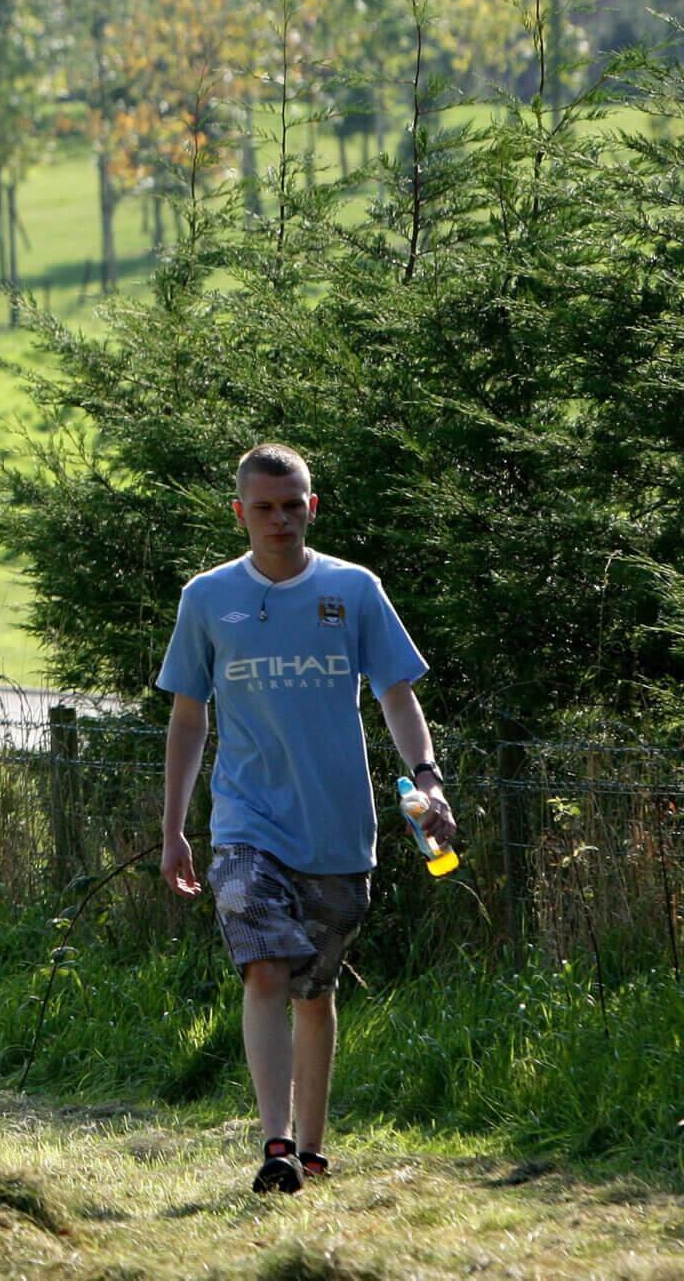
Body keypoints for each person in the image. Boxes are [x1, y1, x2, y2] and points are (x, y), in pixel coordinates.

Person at [156, 443, 455, 1194]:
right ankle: (276, 1145)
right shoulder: (207, 598)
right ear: (240, 514)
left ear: (311, 507)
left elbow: (395, 693)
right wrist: (173, 827)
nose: (280, 519)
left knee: (314, 990)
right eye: (264, 507)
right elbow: (189, 718)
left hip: (336, 826)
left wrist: (428, 776)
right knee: (264, 967)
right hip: (246, 823)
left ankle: (314, 1147)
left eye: (293, 505)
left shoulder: (353, 591)